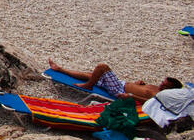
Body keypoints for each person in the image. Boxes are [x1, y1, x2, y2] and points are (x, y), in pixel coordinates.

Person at [48, 58, 181, 100]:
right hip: (121, 85)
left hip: (118, 90)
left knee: (102, 67)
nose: (161, 84)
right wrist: (137, 84)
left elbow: (147, 102)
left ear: (169, 88)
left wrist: (129, 96)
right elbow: (141, 90)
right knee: (91, 74)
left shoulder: (159, 95)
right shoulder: (156, 88)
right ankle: (60, 69)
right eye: (162, 82)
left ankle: (88, 85)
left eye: (164, 84)